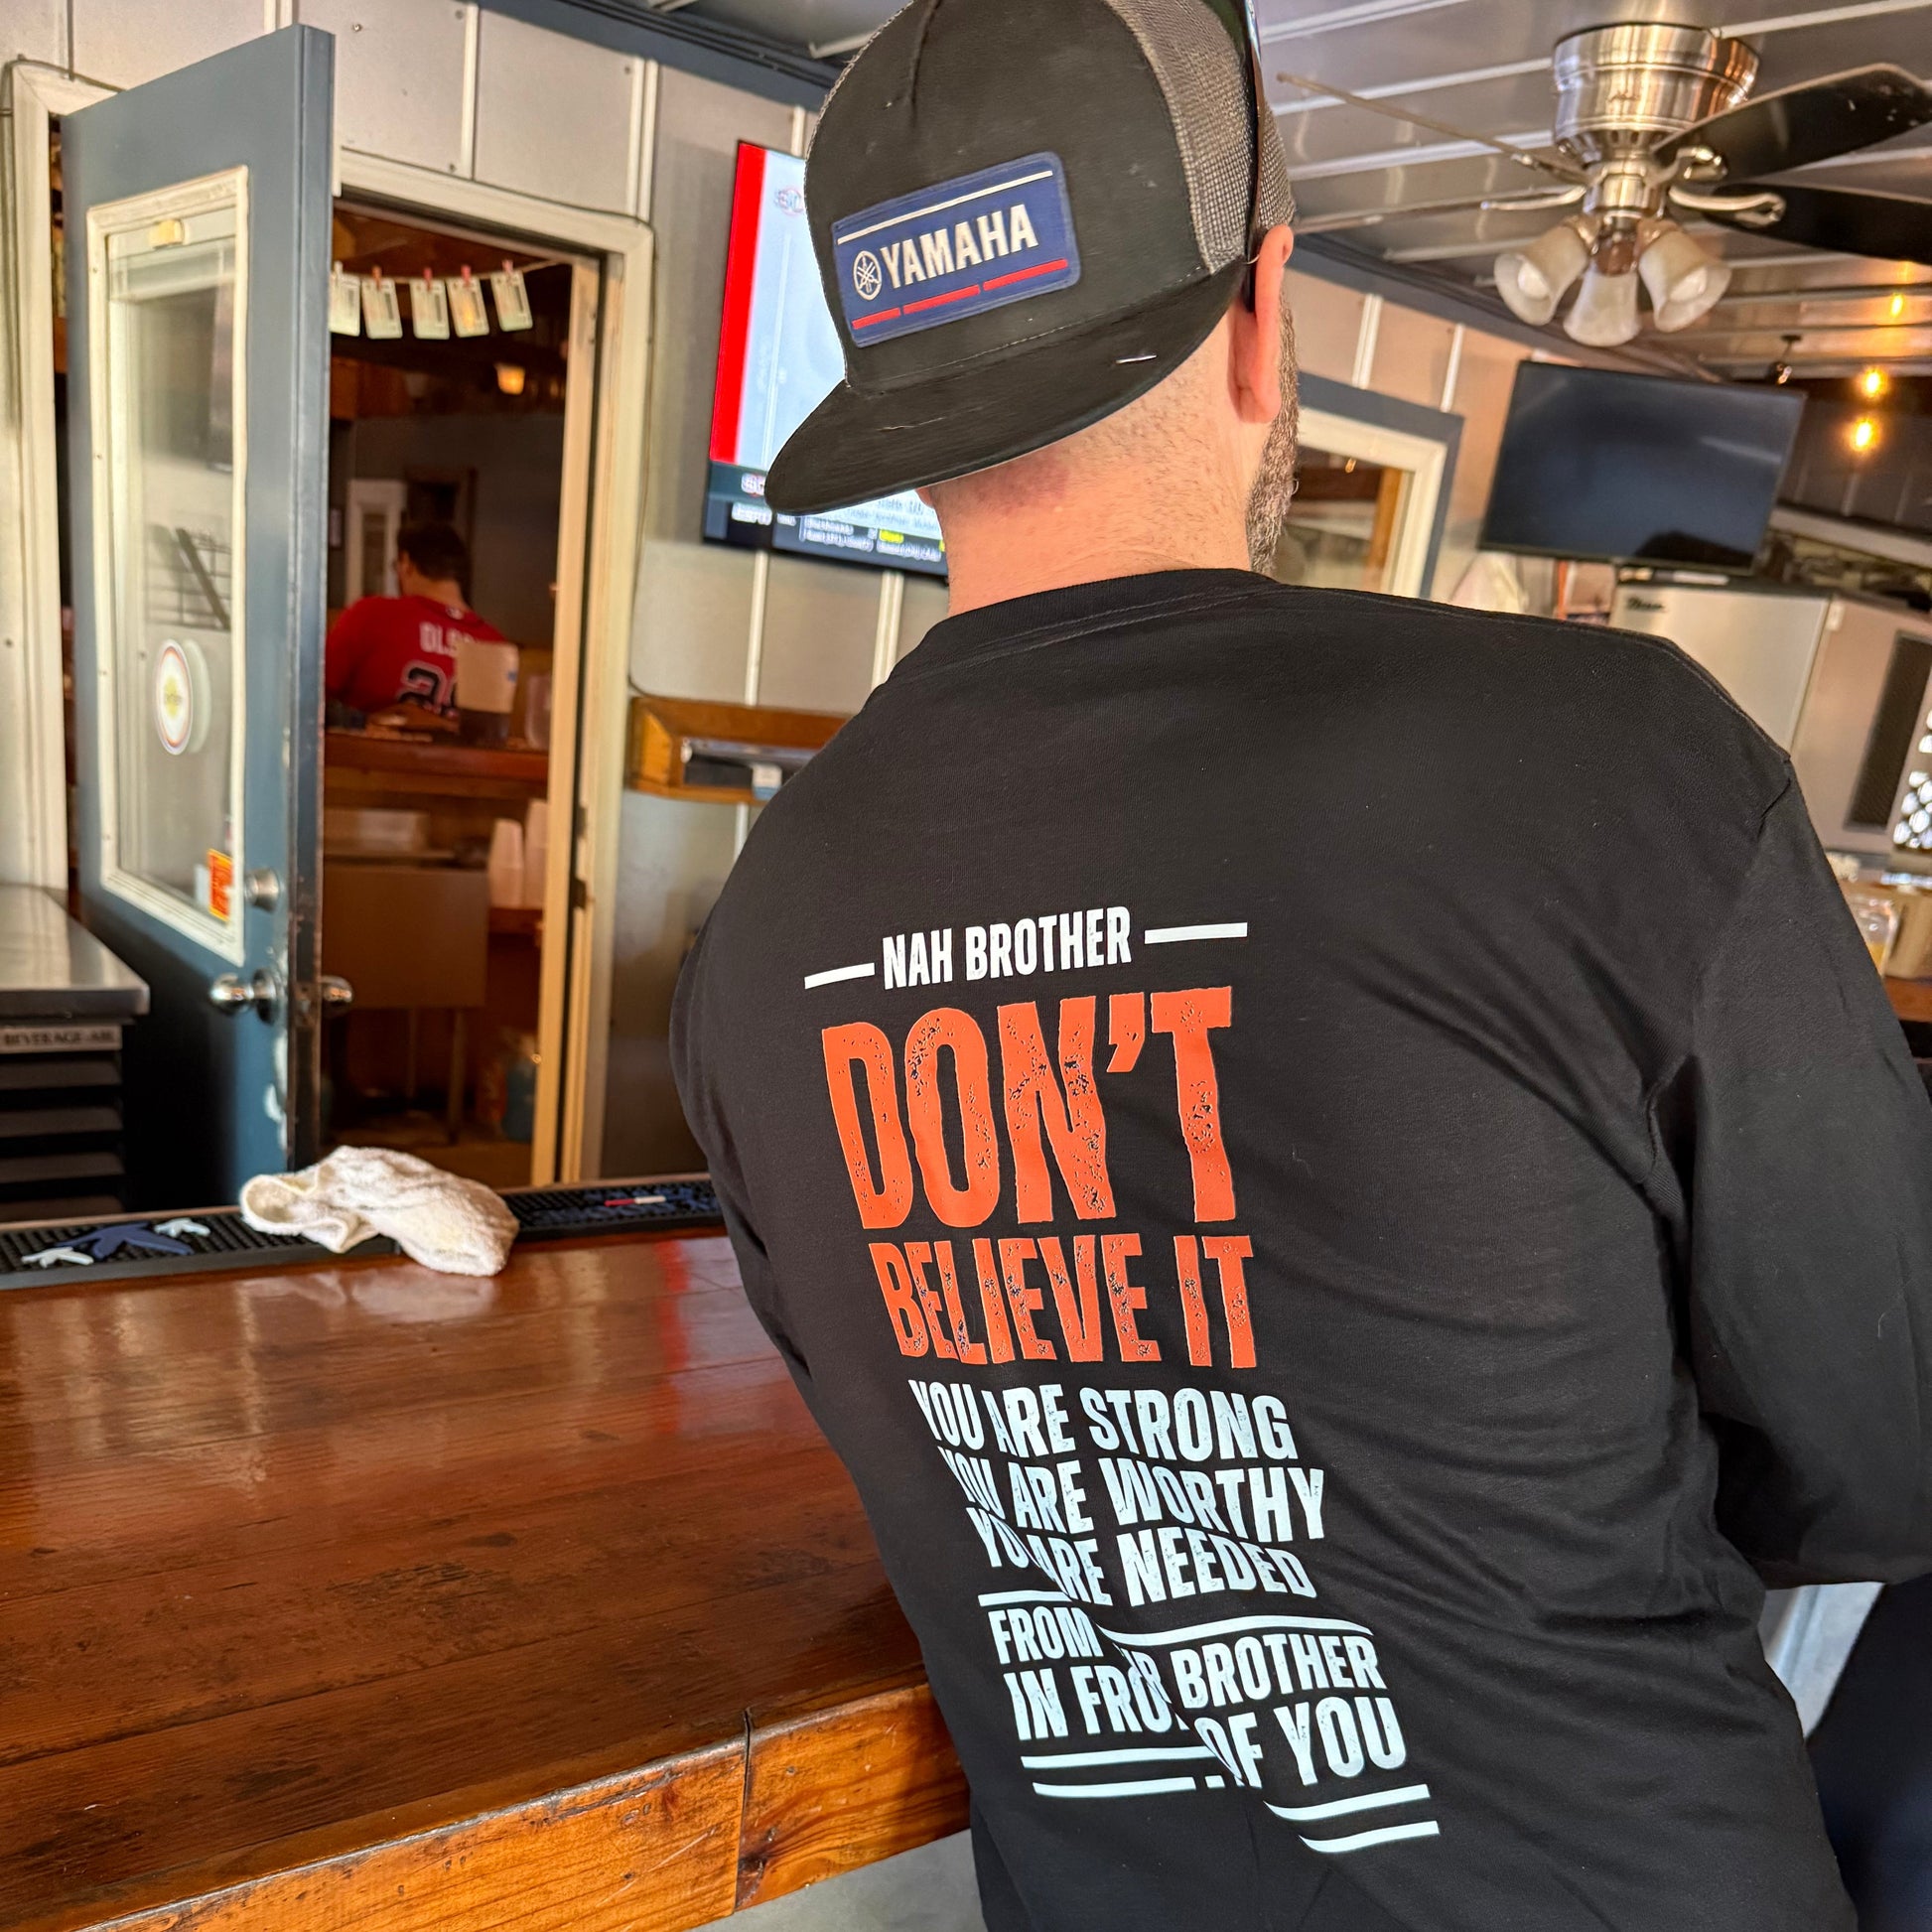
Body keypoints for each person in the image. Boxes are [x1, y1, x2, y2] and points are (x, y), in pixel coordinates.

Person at [671, 2, 1932, 1927]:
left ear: (891, 387)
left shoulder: (766, 922)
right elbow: (1880, 1442)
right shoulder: (1611, 756)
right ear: (1262, 309)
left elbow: (950, 1446)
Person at [325, 520, 505, 718]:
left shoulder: (371, 614)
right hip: (454, 748)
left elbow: (310, 692)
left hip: (370, 748)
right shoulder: (495, 645)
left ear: (406, 563)